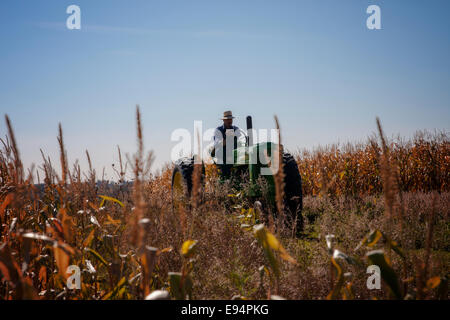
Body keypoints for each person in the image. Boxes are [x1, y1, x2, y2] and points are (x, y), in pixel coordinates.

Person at [212, 110, 247, 179]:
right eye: (227, 119)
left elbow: (240, 136)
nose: (229, 121)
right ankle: (225, 181)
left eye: (230, 119)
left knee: (244, 164)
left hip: (235, 154)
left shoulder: (235, 128)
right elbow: (218, 143)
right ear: (223, 120)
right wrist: (228, 138)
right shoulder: (218, 130)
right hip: (223, 156)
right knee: (226, 171)